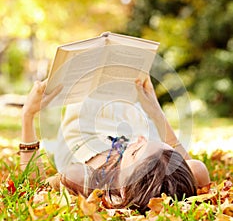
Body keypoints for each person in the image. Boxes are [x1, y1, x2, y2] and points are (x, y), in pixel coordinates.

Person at [20, 76, 210, 213]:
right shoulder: (180, 175)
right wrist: (154, 110)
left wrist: (28, 115)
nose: (141, 141)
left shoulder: (83, 178)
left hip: (84, 131)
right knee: (127, 85)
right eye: (160, 145)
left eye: (136, 152)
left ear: (125, 187)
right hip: (126, 128)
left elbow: (34, 187)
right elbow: (189, 164)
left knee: (90, 82)